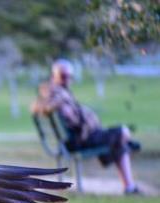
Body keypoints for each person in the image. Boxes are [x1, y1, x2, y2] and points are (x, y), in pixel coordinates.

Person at [32, 59, 142, 195]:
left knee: (121, 143)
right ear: (53, 76)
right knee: (123, 132)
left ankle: (129, 187)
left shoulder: (61, 92)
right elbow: (41, 106)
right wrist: (59, 104)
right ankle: (123, 151)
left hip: (83, 137)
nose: (68, 79)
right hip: (80, 141)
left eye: (69, 76)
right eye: (63, 76)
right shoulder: (54, 93)